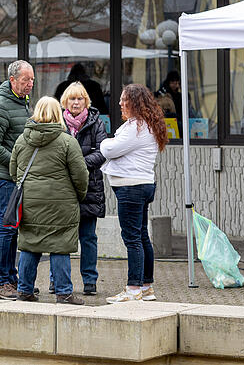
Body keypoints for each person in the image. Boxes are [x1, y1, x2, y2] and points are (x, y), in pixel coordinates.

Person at [11, 96, 88, 305]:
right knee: (60, 245)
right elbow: (81, 176)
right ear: (57, 114)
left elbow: (13, 171)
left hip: (30, 202)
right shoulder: (67, 142)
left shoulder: (21, 140)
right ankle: (63, 293)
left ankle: (24, 290)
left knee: (29, 244)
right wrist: (78, 195)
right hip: (61, 204)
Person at [102, 84, 167, 303]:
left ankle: (133, 288)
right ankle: (146, 287)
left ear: (135, 102)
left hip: (131, 188)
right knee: (141, 236)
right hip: (143, 185)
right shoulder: (147, 125)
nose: (120, 103)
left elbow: (110, 150)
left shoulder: (135, 127)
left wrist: (103, 142)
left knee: (132, 239)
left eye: (124, 100)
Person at [0, 59, 34, 300]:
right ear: (12, 80)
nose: (30, 84)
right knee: (6, 228)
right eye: (26, 80)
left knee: (13, 229)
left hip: (19, 176)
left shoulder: (23, 102)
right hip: (7, 177)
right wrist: (16, 165)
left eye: (32, 80)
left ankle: (11, 279)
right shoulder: (1, 104)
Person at [55, 82, 108, 296]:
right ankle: (56, 280)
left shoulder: (97, 122)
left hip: (89, 188)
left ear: (86, 101)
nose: (75, 102)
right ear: (64, 102)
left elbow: (103, 151)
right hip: (63, 189)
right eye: (71, 99)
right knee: (59, 237)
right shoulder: (58, 122)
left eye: (79, 99)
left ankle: (89, 281)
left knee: (88, 237)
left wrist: (77, 164)